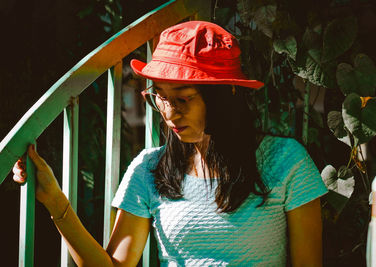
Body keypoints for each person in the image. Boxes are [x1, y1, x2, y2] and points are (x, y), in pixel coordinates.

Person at [13, 21, 327, 266]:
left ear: (224, 95)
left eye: (183, 98)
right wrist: (56, 203)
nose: (169, 112)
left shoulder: (287, 162)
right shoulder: (149, 169)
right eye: (160, 96)